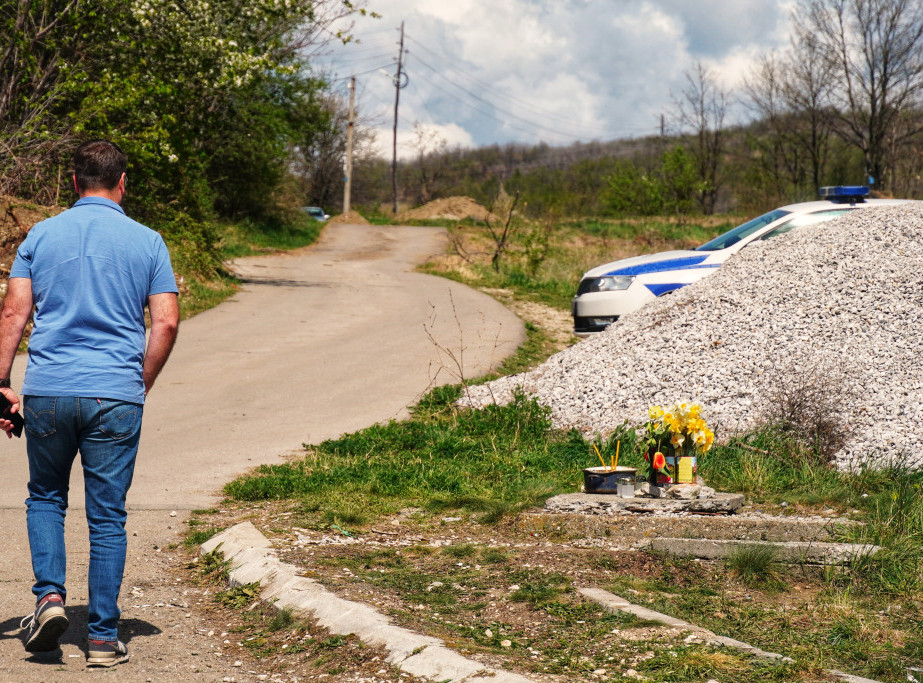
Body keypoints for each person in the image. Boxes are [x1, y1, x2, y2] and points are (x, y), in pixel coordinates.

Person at [0, 140, 179, 667]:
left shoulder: (40, 234)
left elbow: (14, 313)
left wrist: (0, 380)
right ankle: (101, 637)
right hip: (115, 392)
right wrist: (138, 383)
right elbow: (165, 321)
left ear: (74, 183)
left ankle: (49, 600)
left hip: (51, 390)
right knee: (107, 516)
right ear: (122, 183)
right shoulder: (148, 241)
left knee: (46, 498)